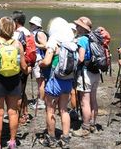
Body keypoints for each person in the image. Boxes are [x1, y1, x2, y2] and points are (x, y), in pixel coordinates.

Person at [0, 17, 27, 149]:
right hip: (14, 78)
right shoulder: (17, 44)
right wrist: (27, 70)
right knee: (13, 112)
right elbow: (23, 66)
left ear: (0, 28)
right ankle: (12, 141)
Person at [38, 18, 76, 149]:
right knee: (64, 110)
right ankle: (65, 139)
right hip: (67, 80)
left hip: (55, 80)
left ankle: (51, 139)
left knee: (50, 110)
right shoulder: (71, 42)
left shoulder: (53, 41)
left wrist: (40, 63)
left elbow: (47, 61)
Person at [71, 17, 100, 138]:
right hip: (95, 72)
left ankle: (85, 128)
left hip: (85, 74)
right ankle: (93, 124)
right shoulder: (94, 38)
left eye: (78, 26)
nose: (76, 28)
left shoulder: (82, 39)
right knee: (93, 99)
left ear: (83, 28)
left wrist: (72, 65)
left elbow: (81, 58)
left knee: (84, 102)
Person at [11, 10, 32, 126]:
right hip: (27, 64)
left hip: (19, 66)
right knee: (22, 90)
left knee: (17, 92)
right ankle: (25, 113)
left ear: (16, 21)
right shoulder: (28, 32)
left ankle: (20, 116)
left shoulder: (17, 34)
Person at [29, 15, 48, 110]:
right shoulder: (35, 33)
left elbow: (45, 46)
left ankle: (41, 101)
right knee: (40, 81)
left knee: (41, 81)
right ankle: (41, 99)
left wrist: (34, 44)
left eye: (32, 24)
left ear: (37, 25)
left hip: (39, 59)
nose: (30, 25)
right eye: (30, 23)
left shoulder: (39, 33)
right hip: (37, 59)